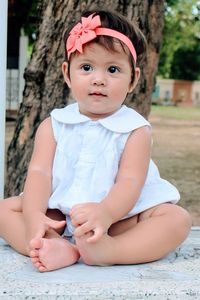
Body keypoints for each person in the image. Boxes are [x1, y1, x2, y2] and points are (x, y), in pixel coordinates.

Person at [0, 9, 191, 272]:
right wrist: (34, 216)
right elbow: (39, 173)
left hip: (119, 219)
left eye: (113, 69)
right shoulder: (53, 124)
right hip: (59, 216)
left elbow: (130, 182)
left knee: (176, 219)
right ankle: (55, 244)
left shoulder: (135, 129)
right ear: (68, 73)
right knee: (5, 210)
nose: (98, 79)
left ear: (133, 79)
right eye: (86, 67)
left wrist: (106, 213)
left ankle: (111, 250)